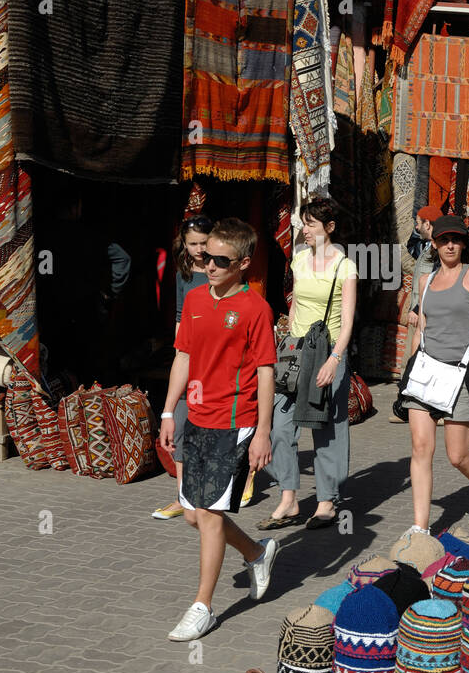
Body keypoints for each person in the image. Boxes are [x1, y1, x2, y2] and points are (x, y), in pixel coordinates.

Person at [159, 219, 278, 641]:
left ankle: (202, 607)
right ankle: (256, 552)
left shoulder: (255, 309)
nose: (208, 264)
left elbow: (266, 372)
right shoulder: (193, 299)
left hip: (236, 422)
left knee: (209, 516)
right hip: (196, 418)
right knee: (193, 516)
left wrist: (263, 431)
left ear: (243, 264)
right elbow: (183, 358)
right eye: (205, 255)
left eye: (220, 260)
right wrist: (168, 413)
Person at [262, 197, 358, 531]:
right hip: (295, 352)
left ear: (329, 228)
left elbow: (347, 323)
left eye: (311, 224)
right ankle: (288, 498)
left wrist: (335, 359)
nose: (305, 230)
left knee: (327, 428)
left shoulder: (344, 266)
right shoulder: (299, 260)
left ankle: (327, 502)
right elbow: (295, 305)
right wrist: (285, 340)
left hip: (328, 352)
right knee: (280, 425)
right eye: (303, 223)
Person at [402, 214, 469, 535]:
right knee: (420, 448)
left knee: (458, 455)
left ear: (463, 244)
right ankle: (420, 528)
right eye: (444, 240)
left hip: (460, 375)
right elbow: (422, 328)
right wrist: (410, 370)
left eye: (456, 240)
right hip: (425, 373)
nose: (450, 245)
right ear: (434, 243)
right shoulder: (425, 281)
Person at [152, 215, 211, 520]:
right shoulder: (184, 273)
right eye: (193, 244)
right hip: (189, 356)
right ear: (184, 245)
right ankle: (183, 496)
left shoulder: (221, 270)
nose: (199, 249)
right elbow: (179, 315)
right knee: (179, 418)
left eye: (203, 242)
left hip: (215, 360)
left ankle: (216, 491)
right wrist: (179, 352)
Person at [390, 205, 442, 424]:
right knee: (411, 362)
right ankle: (408, 406)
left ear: (428, 224)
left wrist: (417, 309)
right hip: (419, 315)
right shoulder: (427, 247)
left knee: (426, 361)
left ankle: (436, 409)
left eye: (419, 222)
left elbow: (436, 280)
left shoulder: (438, 250)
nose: (415, 226)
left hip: (427, 316)